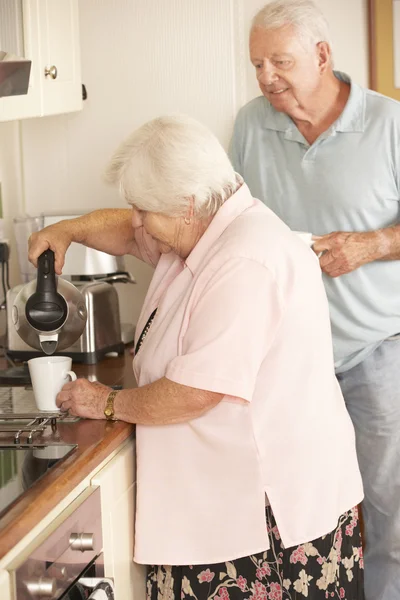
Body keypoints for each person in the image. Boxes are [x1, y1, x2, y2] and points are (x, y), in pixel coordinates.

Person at [29, 114, 364, 600]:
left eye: (145, 209)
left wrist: (106, 401)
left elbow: (197, 391)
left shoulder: (244, 260)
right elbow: (128, 231)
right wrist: (70, 230)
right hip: (228, 507)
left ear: (186, 205)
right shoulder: (206, 228)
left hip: (267, 526)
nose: (137, 221)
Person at [228, 1, 400, 599]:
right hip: (287, 361)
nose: (266, 77)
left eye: (280, 61)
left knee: (390, 517)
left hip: (376, 354)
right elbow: (232, 224)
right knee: (299, 517)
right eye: (257, 64)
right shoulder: (251, 125)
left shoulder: (389, 123)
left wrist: (371, 244)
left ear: (322, 55)